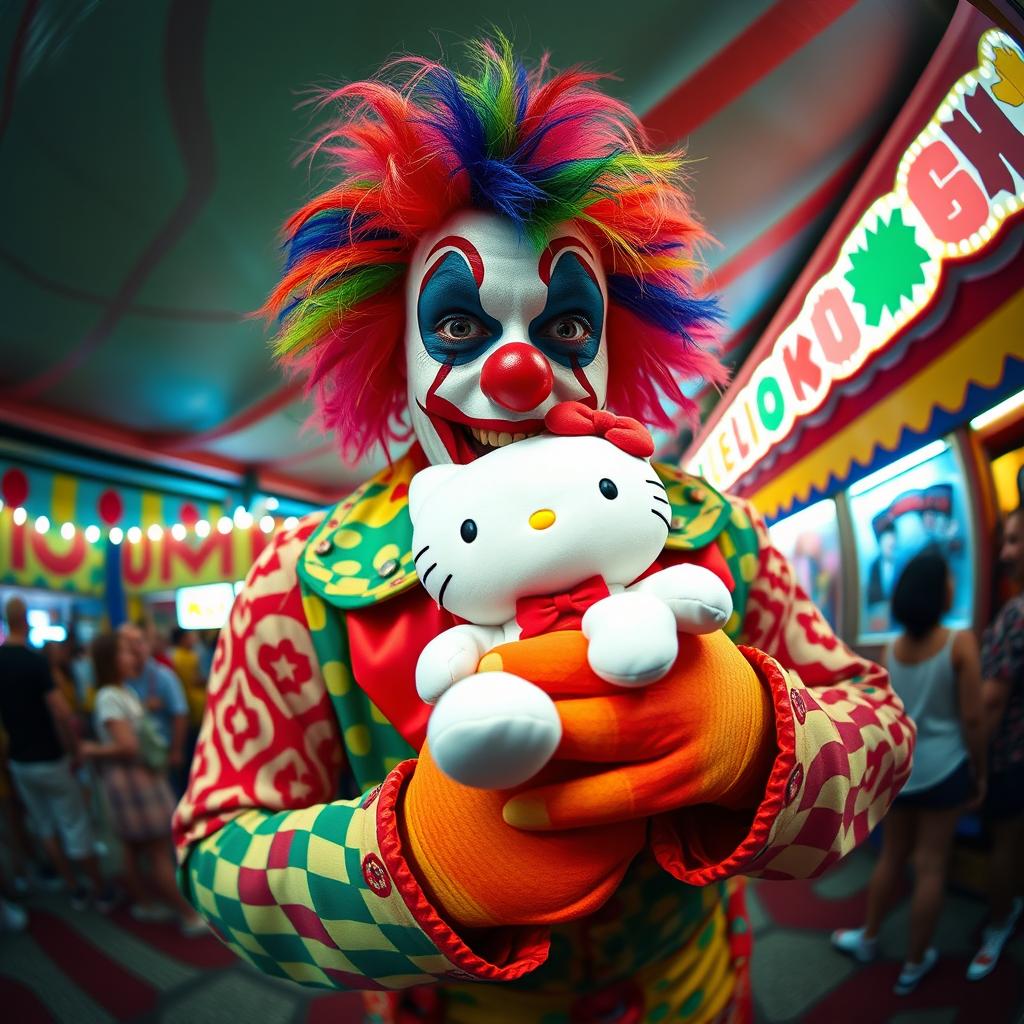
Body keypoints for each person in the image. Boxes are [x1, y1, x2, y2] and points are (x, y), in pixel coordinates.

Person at [173, 41, 913, 1023]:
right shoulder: (295, 584)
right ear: (392, 352)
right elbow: (214, 855)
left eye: (564, 327)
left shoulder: (711, 532)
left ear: (613, 348)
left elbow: (877, 724)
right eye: (459, 328)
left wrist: (759, 737)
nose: (518, 375)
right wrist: (416, 862)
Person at [831, 552, 985, 994]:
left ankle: (870, 936)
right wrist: (981, 773)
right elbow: (973, 719)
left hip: (906, 769)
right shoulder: (960, 644)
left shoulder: (890, 649)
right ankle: (915, 963)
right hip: (947, 768)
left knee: (892, 856)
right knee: (932, 866)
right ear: (941, 592)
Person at [82, 632, 205, 936]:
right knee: (155, 849)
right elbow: (128, 746)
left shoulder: (120, 691)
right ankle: (188, 915)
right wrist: (91, 749)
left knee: (136, 847)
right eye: (124, 651)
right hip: (133, 780)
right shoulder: (110, 695)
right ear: (111, 660)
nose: (132, 656)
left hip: (134, 778)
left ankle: (145, 902)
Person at [0, 597, 110, 910]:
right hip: (49, 757)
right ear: (27, 620)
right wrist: (75, 749)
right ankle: (99, 890)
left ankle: (73, 888)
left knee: (44, 825)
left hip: (19, 760)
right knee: (75, 823)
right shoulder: (34, 662)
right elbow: (60, 711)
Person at [967, 506, 1024, 980]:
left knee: (1004, 846)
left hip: (1009, 757)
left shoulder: (1016, 615)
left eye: (1015, 541)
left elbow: (990, 703)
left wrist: (978, 766)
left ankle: (999, 924)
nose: (1005, 553)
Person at [119, 623, 190, 794]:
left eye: (139, 642)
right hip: (135, 761)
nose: (136, 649)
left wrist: (176, 751)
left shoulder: (163, 676)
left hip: (162, 755)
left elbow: (180, 714)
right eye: (127, 644)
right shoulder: (120, 680)